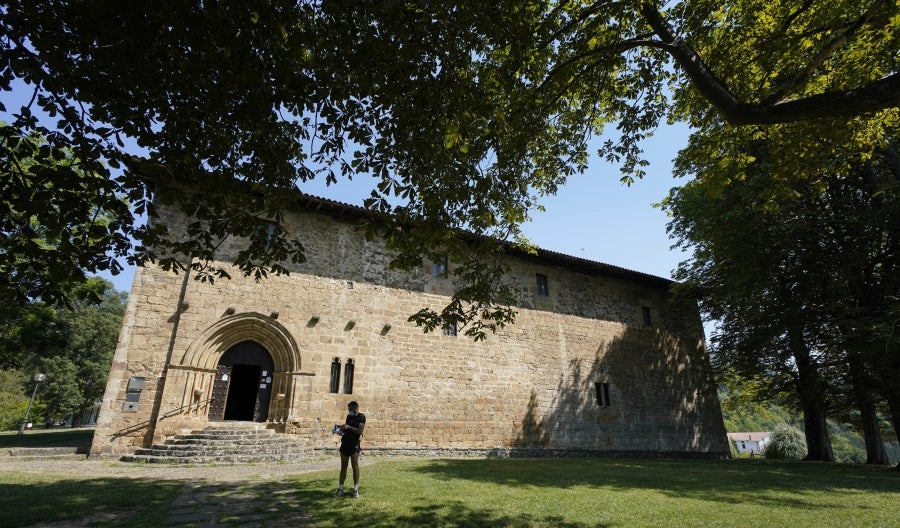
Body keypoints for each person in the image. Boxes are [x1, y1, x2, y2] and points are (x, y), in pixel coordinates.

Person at [334, 401, 366, 498]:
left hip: (354, 445)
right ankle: (340, 489)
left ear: (355, 408)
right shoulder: (349, 417)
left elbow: (360, 431)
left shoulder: (361, 417)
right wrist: (342, 431)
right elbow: (347, 429)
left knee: (355, 467)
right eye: (349, 409)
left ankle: (355, 489)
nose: (349, 411)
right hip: (345, 444)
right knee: (343, 467)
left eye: (351, 409)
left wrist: (349, 427)